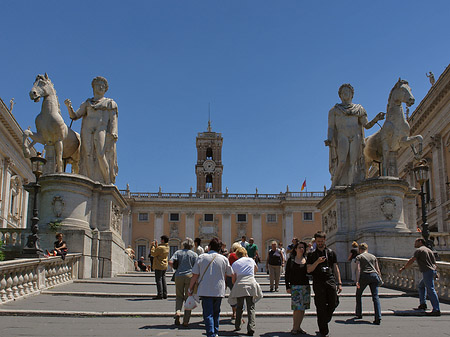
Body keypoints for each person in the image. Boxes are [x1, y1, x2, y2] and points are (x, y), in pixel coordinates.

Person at [325, 83, 385, 187]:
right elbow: (331, 127)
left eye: (347, 91)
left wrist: (376, 119)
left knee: (354, 162)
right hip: (342, 136)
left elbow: (366, 125)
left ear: (352, 94)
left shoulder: (359, 109)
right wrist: (329, 139)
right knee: (342, 161)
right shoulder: (334, 111)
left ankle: (350, 185)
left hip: (356, 137)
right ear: (340, 95)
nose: (345, 93)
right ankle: (334, 184)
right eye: (343, 92)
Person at [64, 76, 118, 184]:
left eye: (103, 86)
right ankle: (89, 181)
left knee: (100, 154)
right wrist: (69, 107)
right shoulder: (87, 103)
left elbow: (113, 120)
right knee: (87, 155)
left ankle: (107, 181)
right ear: (93, 87)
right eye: (98, 85)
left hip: (100, 129)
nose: (101, 87)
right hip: (87, 130)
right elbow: (75, 116)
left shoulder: (110, 103)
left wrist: (113, 132)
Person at [188, 238, 233, 337]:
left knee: (208, 314)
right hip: (219, 290)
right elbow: (230, 273)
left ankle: (211, 334)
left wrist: (190, 288)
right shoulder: (224, 259)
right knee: (216, 313)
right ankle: (215, 332)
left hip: (205, 290)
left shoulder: (202, 257)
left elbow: (195, 275)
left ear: (209, 247)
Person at [307, 231, 342, 337]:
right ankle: (323, 330)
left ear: (325, 240)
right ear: (315, 241)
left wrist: (339, 282)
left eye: (322, 241)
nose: (320, 243)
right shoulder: (312, 255)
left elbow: (335, 268)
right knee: (320, 306)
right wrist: (317, 262)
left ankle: (325, 319)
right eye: (318, 241)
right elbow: (309, 270)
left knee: (334, 302)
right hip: (318, 281)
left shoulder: (331, 253)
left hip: (330, 279)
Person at [399, 238, 440, 316]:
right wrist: (435, 272)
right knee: (421, 286)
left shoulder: (419, 250)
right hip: (432, 271)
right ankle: (423, 304)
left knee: (431, 289)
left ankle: (436, 309)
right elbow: (434, 263)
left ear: (420, 242)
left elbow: (412, 260)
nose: (414, 244)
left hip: (427, 271)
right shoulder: (429, 250)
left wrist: (404, 268)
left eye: (416, 242)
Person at [228, 246, 262, 336]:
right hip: (250, 284)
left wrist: (235, 284)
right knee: (251, 307)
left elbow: (233, 279)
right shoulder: (251, 260)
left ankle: (237, 325)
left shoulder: (235, 264)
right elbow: (256, 270)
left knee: (239, 307)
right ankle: (251, 327)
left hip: (240, 285)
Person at [169, 237, 198, 327]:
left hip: (178, 276)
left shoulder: (178, 252)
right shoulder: (194, 254)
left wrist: (176, 268)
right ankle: (186, 321)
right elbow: (197, 267)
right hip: (189, 276)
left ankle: (178, 312)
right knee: (188, 298)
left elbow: (170, 262)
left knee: (179, 297)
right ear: (192, 246)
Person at [285, 241, 311, 335]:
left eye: (303, 247)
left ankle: (298, 326)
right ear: (295, 249)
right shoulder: (291, 260)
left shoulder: (306, 259)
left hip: (305, 286)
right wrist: (287, 286)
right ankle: (294, 328)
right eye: (300, 247)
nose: (301, 249)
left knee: (303, 308)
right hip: (295, 286)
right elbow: (287, 274)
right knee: (296, 308)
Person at [355, 243, 382, 324]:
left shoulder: (359, 257)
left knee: (358, 294)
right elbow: (378, 269)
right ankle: (378, 316)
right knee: (375, 297)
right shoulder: (373, 256)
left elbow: (358, 269)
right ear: (367, 248)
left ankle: (359, 313)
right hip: (374, 276)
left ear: (359, 249)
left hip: (364, 276)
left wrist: (357, 280)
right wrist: (380, 278)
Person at [151, 235, 169, 299]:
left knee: (158, 279)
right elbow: (159, 252)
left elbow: (153, 253)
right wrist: (156, 246)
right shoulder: (167, 247)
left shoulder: (160, 247)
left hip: (159, 265)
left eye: (161, 239)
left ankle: (160, 294)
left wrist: (153, 246)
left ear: (163, 240)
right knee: (163, 279)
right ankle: (165, 294)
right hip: (164, 265)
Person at [227, 242, 241, 320]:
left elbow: (228, 267)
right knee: (241, 296)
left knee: (233, 295)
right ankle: (240, 314)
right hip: (239, 277)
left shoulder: (230, 256)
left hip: (231, 277)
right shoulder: (242, 255)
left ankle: (234, 312)